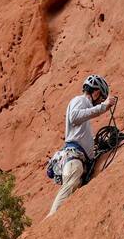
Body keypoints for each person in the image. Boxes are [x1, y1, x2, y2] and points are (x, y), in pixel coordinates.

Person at [48, 74, 116, 216]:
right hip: (74, 159)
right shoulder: (80, 100)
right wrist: (103, 107)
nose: (100, 102)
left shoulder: (83, 106)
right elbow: (74, 117)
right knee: (70, 185)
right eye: (101, 98)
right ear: (96, 92)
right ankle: (51, 220)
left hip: (79, 158)